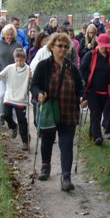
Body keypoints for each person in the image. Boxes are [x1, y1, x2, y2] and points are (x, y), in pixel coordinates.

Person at [31, 32, 87, 192]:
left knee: (66, 144)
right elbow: (34, 85)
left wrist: (82, 98)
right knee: (47, 140)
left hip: (69, 111)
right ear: (51, 47)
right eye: (59, 46)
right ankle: (45, 166)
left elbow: (80, 88)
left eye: (65, 46)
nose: (63, 49)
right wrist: (39, 94)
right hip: (50, 110)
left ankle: (66, 177)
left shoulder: (72, 68)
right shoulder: (43, 66)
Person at [80, 33, 110, 145]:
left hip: (107, 90)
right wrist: (86, 80)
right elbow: (82, 69)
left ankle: (92, 132)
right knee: (95, 113)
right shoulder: (90, 55)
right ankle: (98, 137)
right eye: (103, 46)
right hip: (92, 90)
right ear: (98, 44)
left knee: (101, 112)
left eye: (107, 47)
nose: (105, 49)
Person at [0, 48, 31, 150]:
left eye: (21, 60)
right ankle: (13, 126)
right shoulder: (10, 68)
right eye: (17, 60)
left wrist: (31, 78)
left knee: (22, 120)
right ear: (14, 59)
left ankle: (25, 141)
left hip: (21, 100)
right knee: (6, 115)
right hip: (9, 97)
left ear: (25, 59)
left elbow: (32, 84)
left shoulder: (29, 70)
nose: (19, 63)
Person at [0, 25, 23, 124]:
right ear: (4, 34)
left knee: (12, 97)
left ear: (14, 35)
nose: (9, 36)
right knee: (1, 94)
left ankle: (11, 117)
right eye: (7, 34)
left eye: (11, 34)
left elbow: (22, 59)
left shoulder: (18, 45)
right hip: (0, 74)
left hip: (13, 75)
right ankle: (1, 115)